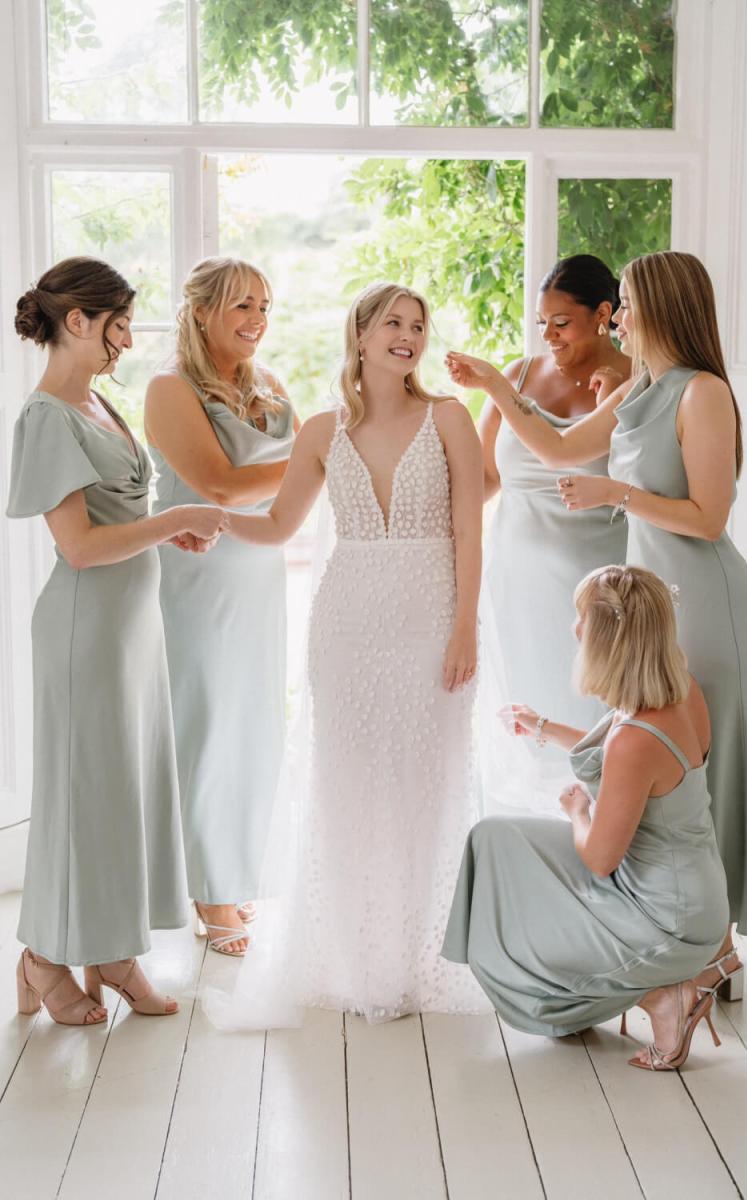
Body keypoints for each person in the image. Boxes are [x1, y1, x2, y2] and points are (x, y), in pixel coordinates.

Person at [446, 250, 747, 971]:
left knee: (710, 766)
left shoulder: (703, 392)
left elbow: (710, 518)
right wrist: (496, 382)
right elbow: (557, 447)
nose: (617, 315)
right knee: (660, 756)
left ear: (661, 306)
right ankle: (677, 927)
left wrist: (616, 496)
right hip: (656, 601)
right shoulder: (643, 387)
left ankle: (720, 943)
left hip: (706, 601)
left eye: (626, 302)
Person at [211, 282, 489, 1025]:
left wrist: (466, 627)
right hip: (348, 626)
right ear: (360, 335)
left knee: (425, 789)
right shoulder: (321, 431)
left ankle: (419, 960)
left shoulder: (451, 419)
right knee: (350, 789)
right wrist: (210, 518)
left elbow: (470, 531)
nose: (408, 335)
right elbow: (275, 525)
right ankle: (354, 960)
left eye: (418, 325)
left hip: (431, 620)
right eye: (392, 323)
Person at [7, 257, 228, 1024]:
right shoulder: (47, 417)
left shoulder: (100, 402)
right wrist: (173, 521)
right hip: (83, 629)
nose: (128, 341)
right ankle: (41, 957)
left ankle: (112, 952)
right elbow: (76, 547)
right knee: (84, 796)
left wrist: (168, 538)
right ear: (77, 322)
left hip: (132, 627)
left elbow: (118, 528)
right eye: (119, 325)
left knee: (125, 793)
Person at [443, 565, 731, 1072]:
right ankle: (648, 987)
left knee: (530, 918)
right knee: (495, 839)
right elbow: (632, 772)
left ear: (607, 636)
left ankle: (663, 995)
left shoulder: (636, 738)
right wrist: (542, 728)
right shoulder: (682, 689)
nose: (574, 628)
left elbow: (598, 857)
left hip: (668, 919)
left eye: (581, 618)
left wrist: (577, 810)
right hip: (684, 889)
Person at [145, 257, 297, 958]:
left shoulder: (271, 386)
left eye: (264, 306)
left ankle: (233, 875)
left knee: (253, 728)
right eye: (242, 305)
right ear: (202, 311)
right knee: (204, 726)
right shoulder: (170, 389)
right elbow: (217, 485)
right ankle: (206, 889)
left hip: (261, 575)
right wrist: (319, 456)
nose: (257, 320)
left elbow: (291, 498)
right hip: (195, 581)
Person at [479, 255, 630, 813]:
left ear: (603, 314)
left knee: (593, 721)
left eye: (560, 322)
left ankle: (596, 846)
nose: (547, 335)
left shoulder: (637, 381)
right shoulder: (517, 376)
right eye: (541, 322)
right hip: (513, 585)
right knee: (517, 726)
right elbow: (481, 479)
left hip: (600, 595)